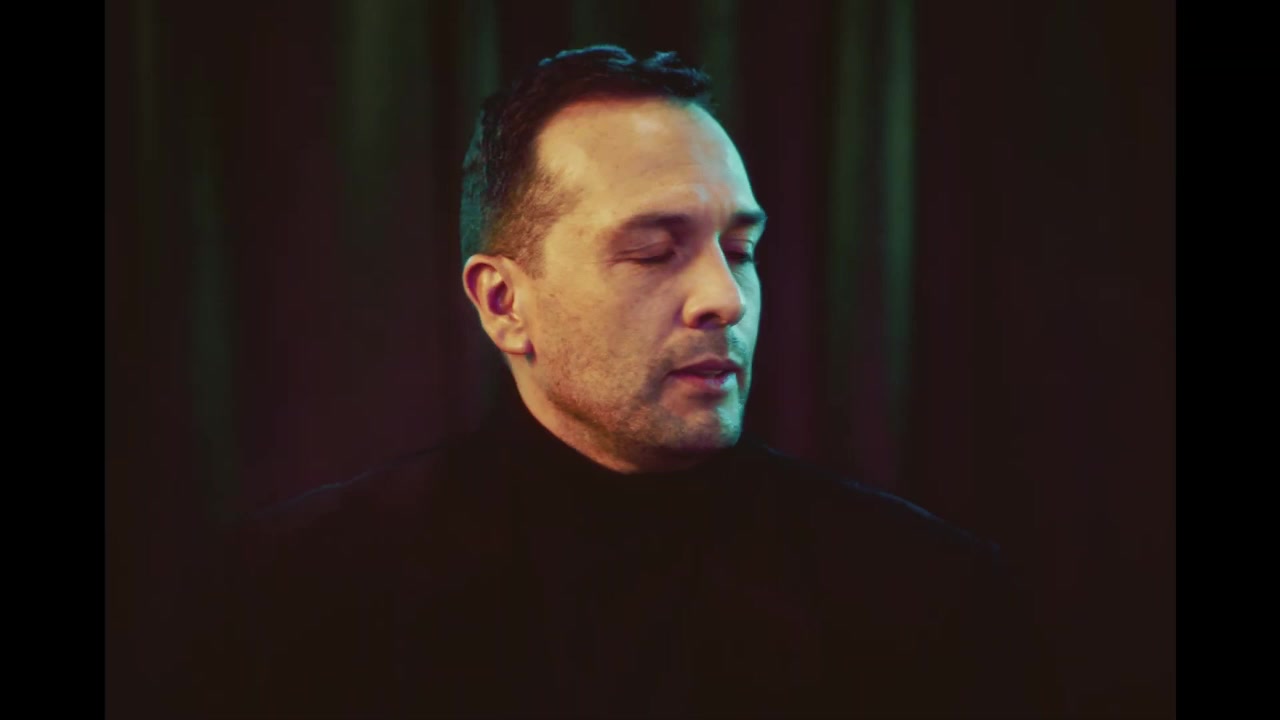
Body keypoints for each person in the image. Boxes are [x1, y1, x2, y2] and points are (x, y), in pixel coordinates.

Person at [178, 45, 1054, 718]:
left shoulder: (930, 596)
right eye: (653, 251)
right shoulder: (296, 596)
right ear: (503, 302)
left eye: (741, 250)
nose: (725, 299)